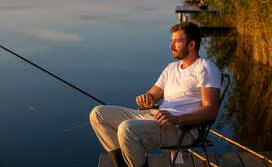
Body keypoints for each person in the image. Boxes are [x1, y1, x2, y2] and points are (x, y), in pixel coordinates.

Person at [89, 22, 221, 167]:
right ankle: (125, 164)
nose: (171, 45)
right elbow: (152, 95)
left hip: (182, 130)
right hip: (157, 117)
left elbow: (211, 111)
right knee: (98, 114)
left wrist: (177, 119)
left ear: (191, 45)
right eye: (172, 41)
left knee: (127, 129)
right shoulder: (171, 68)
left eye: (177, 41)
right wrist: (146, 98)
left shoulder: (205, 68)